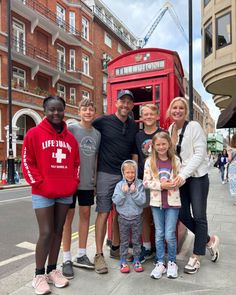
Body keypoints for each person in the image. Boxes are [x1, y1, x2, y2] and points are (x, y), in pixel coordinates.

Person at [21, 95, 80, 295]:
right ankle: (38, 275)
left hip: (64, 192)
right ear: (44, 110)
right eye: (51, 109)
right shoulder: (33, 133)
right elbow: (27, 162)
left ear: (64, 111)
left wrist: (72, 184)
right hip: (42, 192)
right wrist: (39, 183)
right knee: (46, 232)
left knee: (57, 231)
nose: (56, 113)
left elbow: (76, 164)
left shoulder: (71, 138)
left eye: (59, 110)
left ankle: (52, 270)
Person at [166, 96, 220, 274]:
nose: (178, 111)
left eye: (181, 108)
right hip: (181, 179)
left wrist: (182, 175)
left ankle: (196, 257)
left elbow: (199, 155)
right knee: (182, 213)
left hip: (197, 177)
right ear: (170, 110)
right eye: (175, 108)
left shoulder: (194, 127)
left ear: (185, 111)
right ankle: (208, 240)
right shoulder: (171, 129)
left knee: (199, 216)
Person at [92, 89, 137, 274]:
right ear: (115, 102)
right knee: (103, 213)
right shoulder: (103, 121)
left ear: (132, 105)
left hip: (124, 175)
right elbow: (87, 133)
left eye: (129, 102)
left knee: (121, 213)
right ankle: (98, 254)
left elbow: (134, 150)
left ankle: (117, 249)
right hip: (105, 174)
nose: (125, 105)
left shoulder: (133, 126)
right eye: (122, 101)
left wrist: (135, 176)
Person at [62, 99, 101, 279]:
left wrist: (94, 182)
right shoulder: (71, 129)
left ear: (94, 113)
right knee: (67, 219)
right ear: (79, 111)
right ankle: (66, 258)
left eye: (91, 109)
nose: (88, 112)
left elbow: (95, 159)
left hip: (87, 182)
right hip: (70, 182)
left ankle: (82, 254)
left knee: (85, 216)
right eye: (84, 109)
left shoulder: (97, 134)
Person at [143, 132, 181, 279]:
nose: (161, 147)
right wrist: (161, 185)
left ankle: (172, 262)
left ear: (169, 144)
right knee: (159, 233)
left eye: (164, 144)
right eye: (158, 144)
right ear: (153, 146)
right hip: (156, 203)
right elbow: (146, 182)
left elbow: (181, 177)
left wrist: (176, 182)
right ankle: (160, 262)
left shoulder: (175, 160)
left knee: (169, 234)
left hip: (173, 202)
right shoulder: (149, 161)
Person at [134, 104, 162, 262]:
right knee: (145, 214)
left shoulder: (162, 133)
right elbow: (136, 157)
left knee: (159, 214)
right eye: (145, 114)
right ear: (142, 117)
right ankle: (147, 247)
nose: (149, 116)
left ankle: (161, 247)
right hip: (144, 181)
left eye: (152, 113)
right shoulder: (138, 136)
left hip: (160, 181)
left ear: (157, 116)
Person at [112, 160, 146, 273]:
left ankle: (137, 260)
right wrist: (122, 193)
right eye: (127, 172)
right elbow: (116, 201)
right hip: (123, 218)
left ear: (136, 172)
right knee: (124, 241)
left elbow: (142, 201)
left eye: (132, 172)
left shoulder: (140, 184)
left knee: (136, 241)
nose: (130, 174)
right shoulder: (119, 185)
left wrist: (134, 192)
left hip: (136, 218)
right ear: (123, 173)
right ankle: (123, 260)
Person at [227, 134, 236, 205]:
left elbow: (229, 159)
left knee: (234, 183)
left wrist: (229, 155)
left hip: (233, 167)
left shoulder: (231, 149)